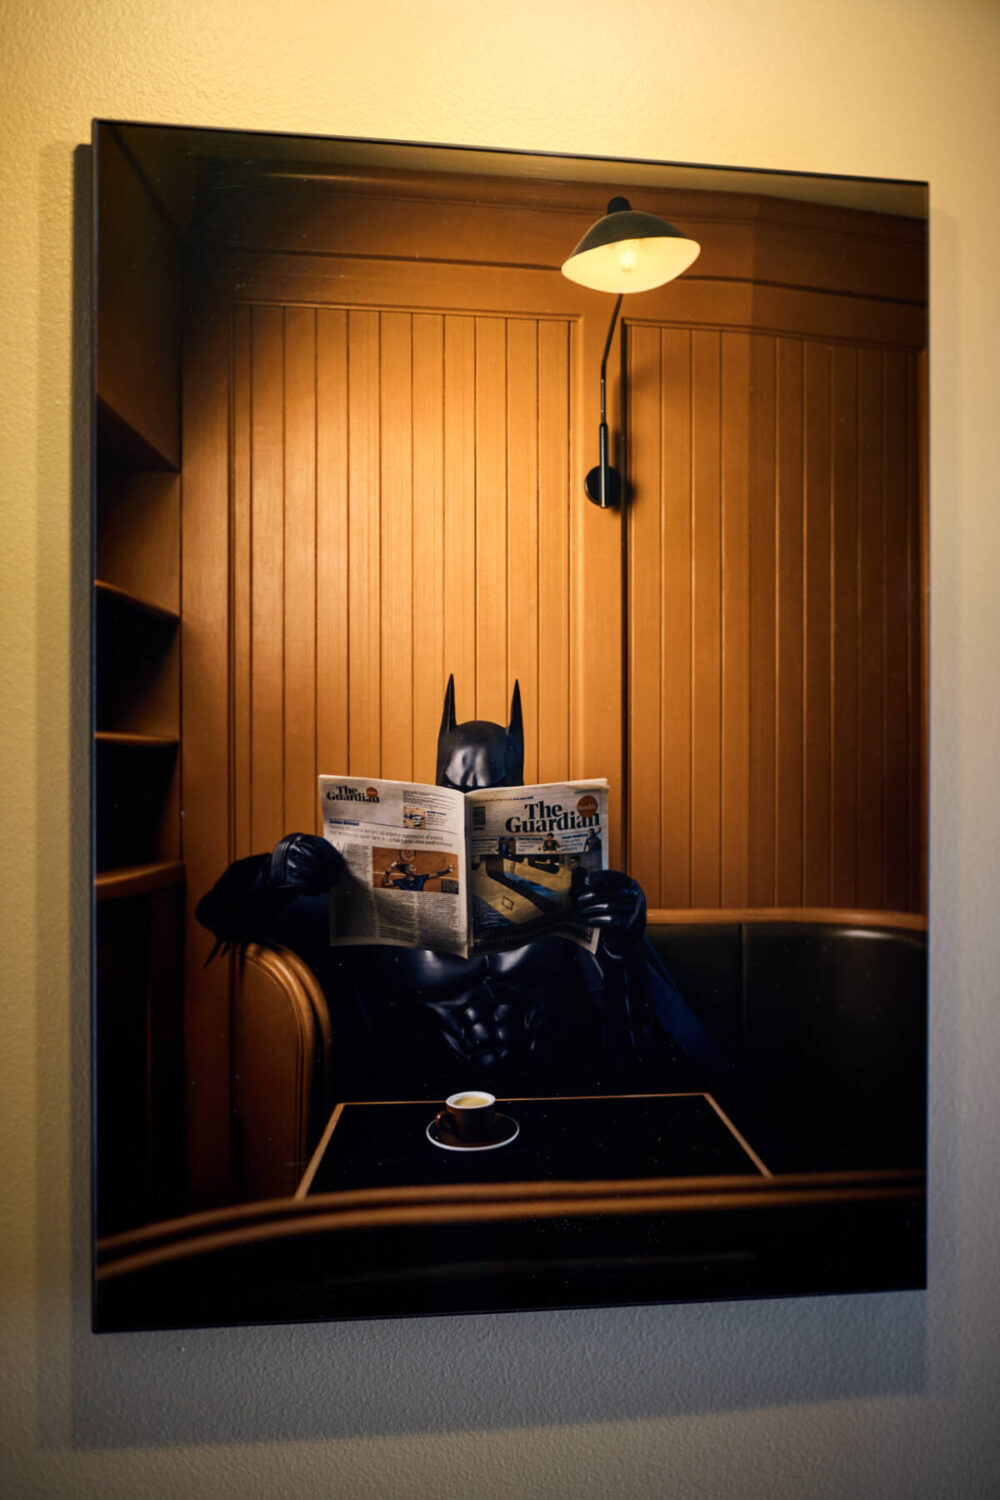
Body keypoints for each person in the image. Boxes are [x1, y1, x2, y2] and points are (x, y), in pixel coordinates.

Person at [196, 677, 715, 1102]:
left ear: (520, 790)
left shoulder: (566, 887)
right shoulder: (380, 889)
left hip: (549, 1102)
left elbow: (634, 1046)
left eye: (490, 792)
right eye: (455, 789)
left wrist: (622, 941)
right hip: (418, 1107)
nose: (469, 805)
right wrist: (275, 870)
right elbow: (217, 911)